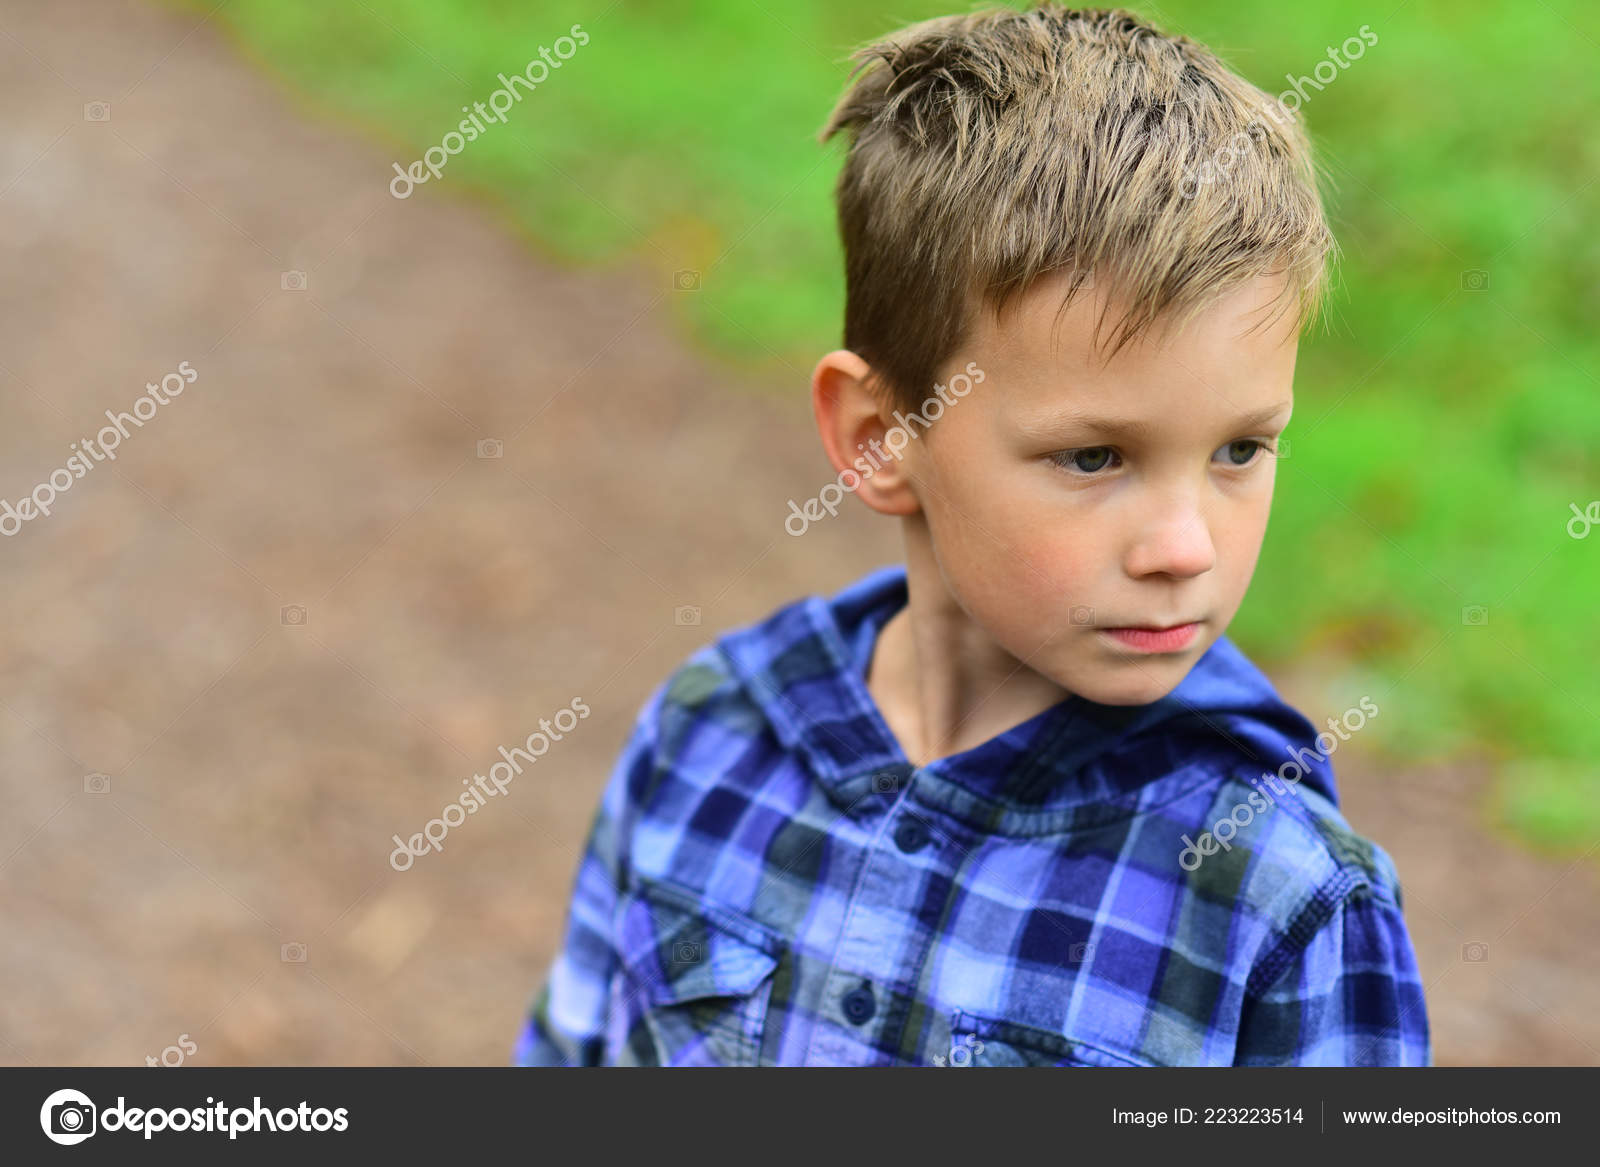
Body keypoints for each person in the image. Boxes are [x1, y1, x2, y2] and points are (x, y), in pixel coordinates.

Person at [513, 3, 1428, 1066]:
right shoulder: (710, 736)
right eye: (1093, 458)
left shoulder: (1276, 897)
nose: (1184, 547)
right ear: (880, 439)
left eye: (1238, 451)